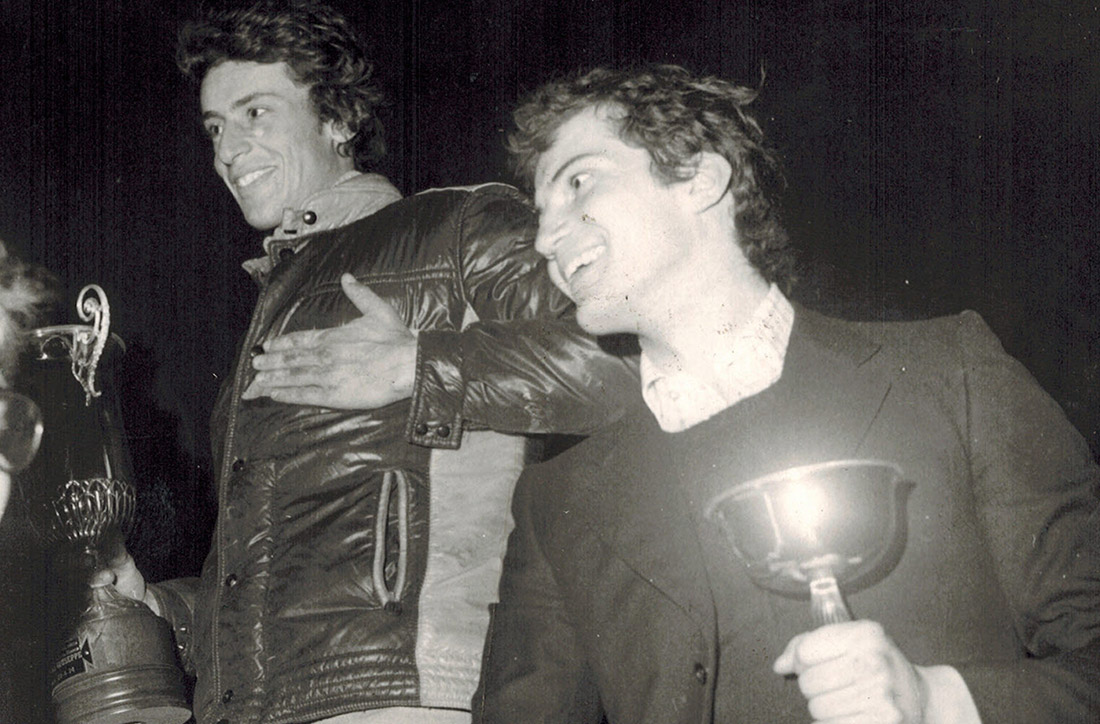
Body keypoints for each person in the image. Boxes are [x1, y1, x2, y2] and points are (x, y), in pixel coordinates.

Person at [472, 65, 1100, 724]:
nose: (544, 239)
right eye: (540, 213)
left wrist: (936, 700)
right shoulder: (557, 499)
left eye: (578, 183)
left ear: (699, 179)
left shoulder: (951, 376)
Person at [97, 3, 636, 724]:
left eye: (256, 112)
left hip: (405, 693)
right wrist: (160, 609)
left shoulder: (456, 225)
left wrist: (419, 367)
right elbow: (274, 580)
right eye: (216, 127)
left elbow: (624, 365)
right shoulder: (267, 319)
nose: (228, 149)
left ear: (339, 118)